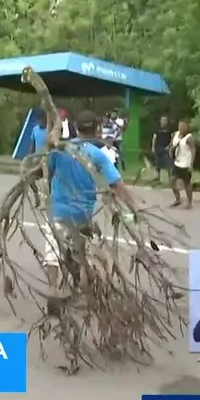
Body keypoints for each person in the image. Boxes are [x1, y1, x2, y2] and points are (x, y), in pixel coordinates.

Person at [42, 110, 141, 313]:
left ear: (77, 129)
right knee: (80, 254)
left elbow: (46, 171)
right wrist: (134, 208)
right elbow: (117, 185)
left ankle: (52, 290)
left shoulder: (60, 150)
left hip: (57, 210)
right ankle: (86, 297)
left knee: (52, 253)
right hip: (82, 213)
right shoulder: (98, 155)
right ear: (96, 130)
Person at [169, 119, 195, 209]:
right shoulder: (175, 134)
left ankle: (189, 202)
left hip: (186, 163)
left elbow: (193, 150)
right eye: (180, 126)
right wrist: (170, 149)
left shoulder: (189, 137)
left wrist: (191, 164)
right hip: (177, 162)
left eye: (183, 126)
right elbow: (172, 144)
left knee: (187, 184)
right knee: (172, 180)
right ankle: (178, 199)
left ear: (187, 127)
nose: (181, 128)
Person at [28, 111, 49, 207]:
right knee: (30, 178)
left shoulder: (49, 130)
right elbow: (32, 145)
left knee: (47, 182)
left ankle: (48, 203)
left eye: (42, 120)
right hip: (36, 160)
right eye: (39, 120)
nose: (40, 122)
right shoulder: (35, 130)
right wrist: (29, 157)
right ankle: (36, 195)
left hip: (47, 160)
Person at [151, 116, 173, 181]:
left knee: (168, 162)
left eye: (165, 120)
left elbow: (172, 138)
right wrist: (153, 147)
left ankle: (170, 177)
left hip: (166, 148)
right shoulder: (157, 128)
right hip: (158, 147)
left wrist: (169, 146)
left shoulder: (169, 129)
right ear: (160, 121)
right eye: (162, 120)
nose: (164, 121)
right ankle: (158, 176)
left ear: (167, 121)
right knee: (158, 162)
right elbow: (154, 138)